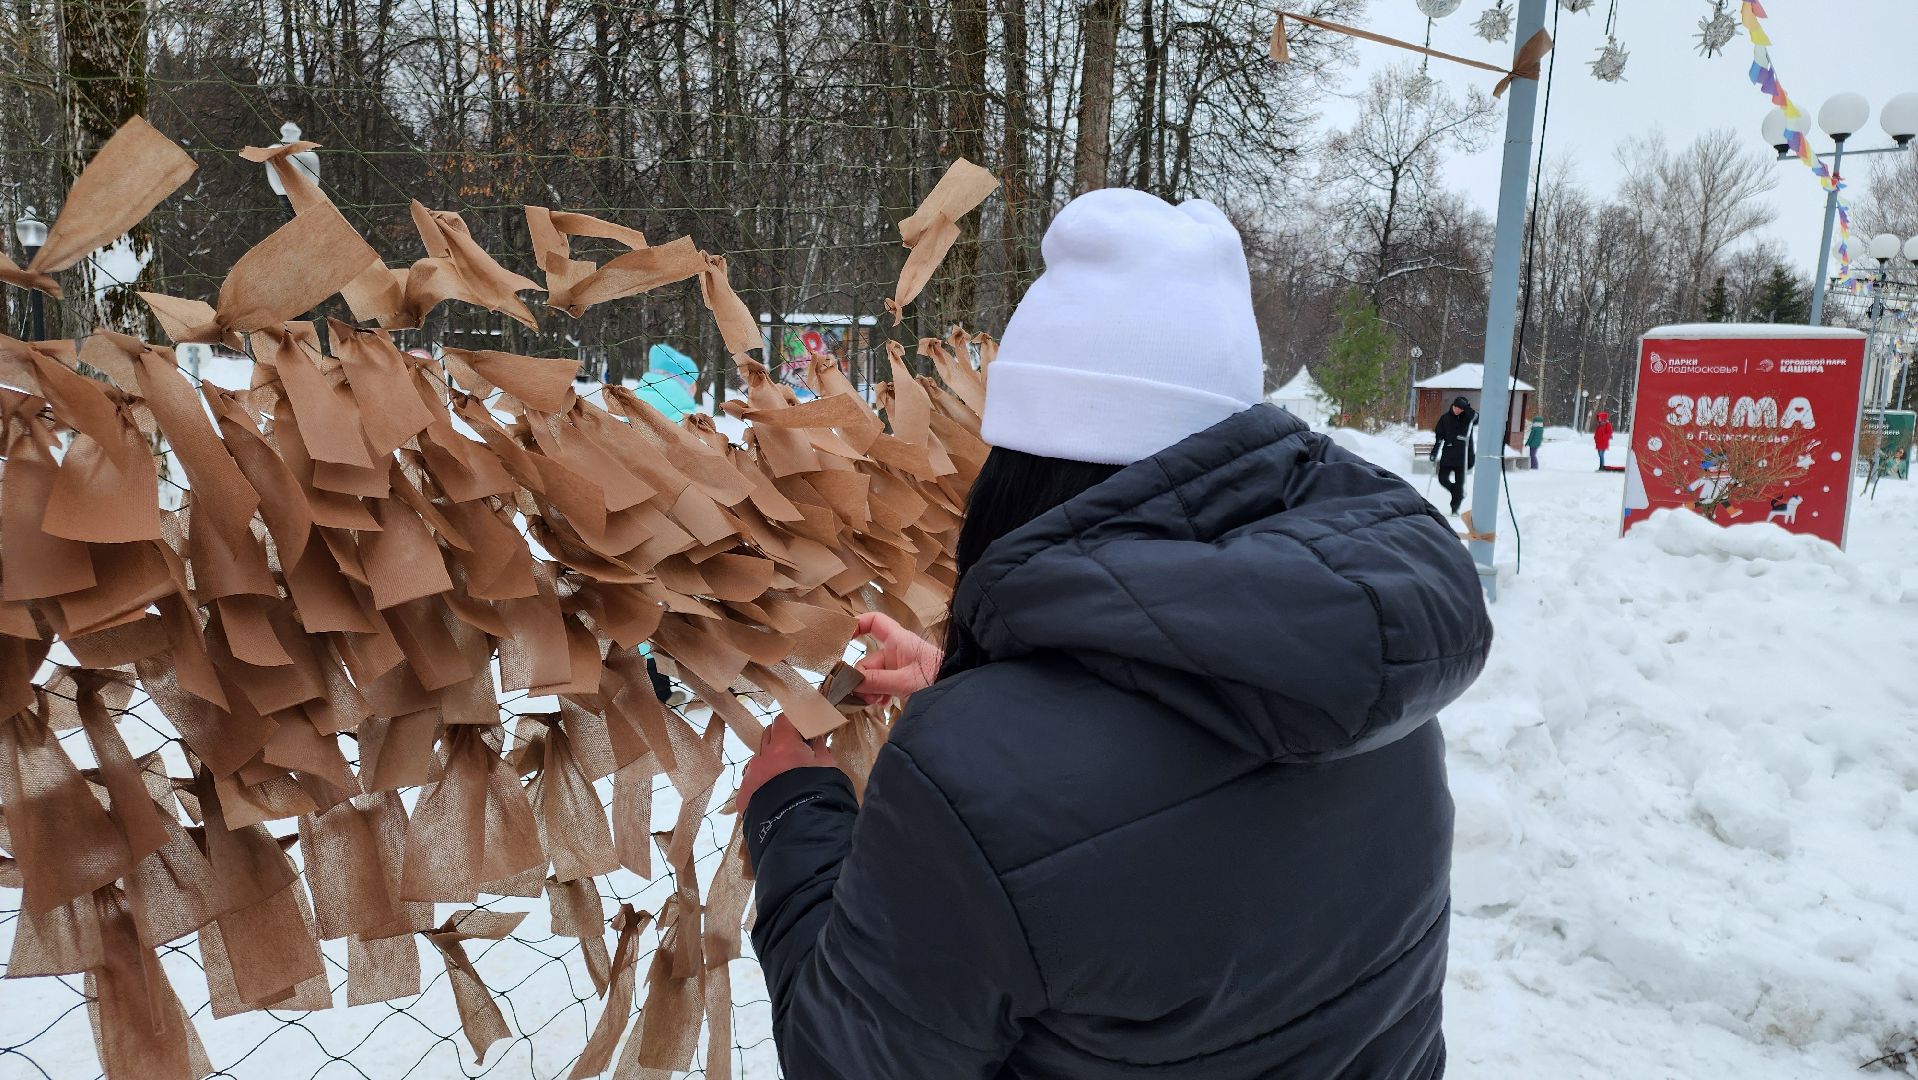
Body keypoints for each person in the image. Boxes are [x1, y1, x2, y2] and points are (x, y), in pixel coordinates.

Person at [737, 188, 1494, 1080]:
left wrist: (793, 812)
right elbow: (1177, 777)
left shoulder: (967, 780)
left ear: (1021, 468)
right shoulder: (1366, 680)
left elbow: (849, 1058)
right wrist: (987, 700)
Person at [1429, 395, 1477, 515]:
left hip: (1463, 457)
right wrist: (1434, 452)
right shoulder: (1445, 418)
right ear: (1452, 406)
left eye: (1460, 408)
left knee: (1460, 483)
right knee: (1442, 479)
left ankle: (1454, 508)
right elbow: (1439, 437)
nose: (1457, 410)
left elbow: (1476, 418)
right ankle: (1457, 493)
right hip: (1448, 455)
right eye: (1456, 407)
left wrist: (1467, 408)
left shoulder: (1468, 418)